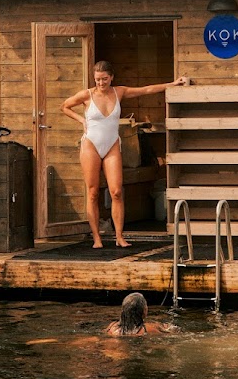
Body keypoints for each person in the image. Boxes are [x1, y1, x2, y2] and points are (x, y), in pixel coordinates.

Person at [62, 60, 188, 248]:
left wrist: (173, 84)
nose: (101, 83)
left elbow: (146, 90)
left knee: (117, 191)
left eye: (104, 79)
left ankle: (119, 236)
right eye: (97, 80)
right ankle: (97, 238)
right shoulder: (87, 95)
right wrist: (81, 120)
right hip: (90, 144)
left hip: (112, 143)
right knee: (93, 191)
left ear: (111, 77)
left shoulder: (118, 92)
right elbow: (65, 106)